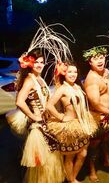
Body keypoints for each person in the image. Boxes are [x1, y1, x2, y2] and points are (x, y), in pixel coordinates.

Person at [15, 49, 64, 183]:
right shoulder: (30, 80)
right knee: (41, 163)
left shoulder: (39, 78)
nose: (39, 65)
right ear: (30, 63)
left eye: (41, 62)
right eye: (36, 62)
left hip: (46, 123)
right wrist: (33, 116)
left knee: (50, 158)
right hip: (38, 127)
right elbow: (19, 101)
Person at [46, 62, 97, 183]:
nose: (73, 74)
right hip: (70, 125)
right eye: (70, 72)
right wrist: (61, 117)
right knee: (70, 156)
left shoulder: (78, 86)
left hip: (82, 123)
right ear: (64, 74)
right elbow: (49, 105)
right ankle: (72, 180)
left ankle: (72, 178)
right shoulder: (63, 89)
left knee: (83, 153)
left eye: (75, 72)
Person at [83, 46, 109, 182]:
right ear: (90, 62)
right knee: (94, 145)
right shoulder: (91, 79)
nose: (99, 61)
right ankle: (92, 170)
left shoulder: (106, 72)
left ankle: (108, 161)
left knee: (108, 140)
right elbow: (95, 104)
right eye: (95, 59)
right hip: (97, 117)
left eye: (101, 57)